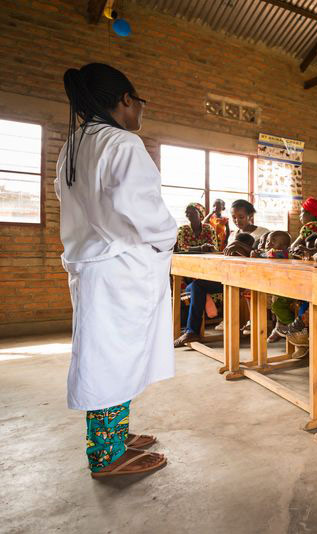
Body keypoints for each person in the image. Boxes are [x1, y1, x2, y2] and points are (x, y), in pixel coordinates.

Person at [57, 63, 176, 477]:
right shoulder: (122, 144)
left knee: (114, 357)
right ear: (126, 100)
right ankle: (106, 456)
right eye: (140, 103)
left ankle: (115, 435)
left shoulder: (77, 143)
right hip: (118, 271)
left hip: (95, 267)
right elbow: (145, 212)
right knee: (109, 361)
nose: (141, 112)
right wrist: (167, 239)